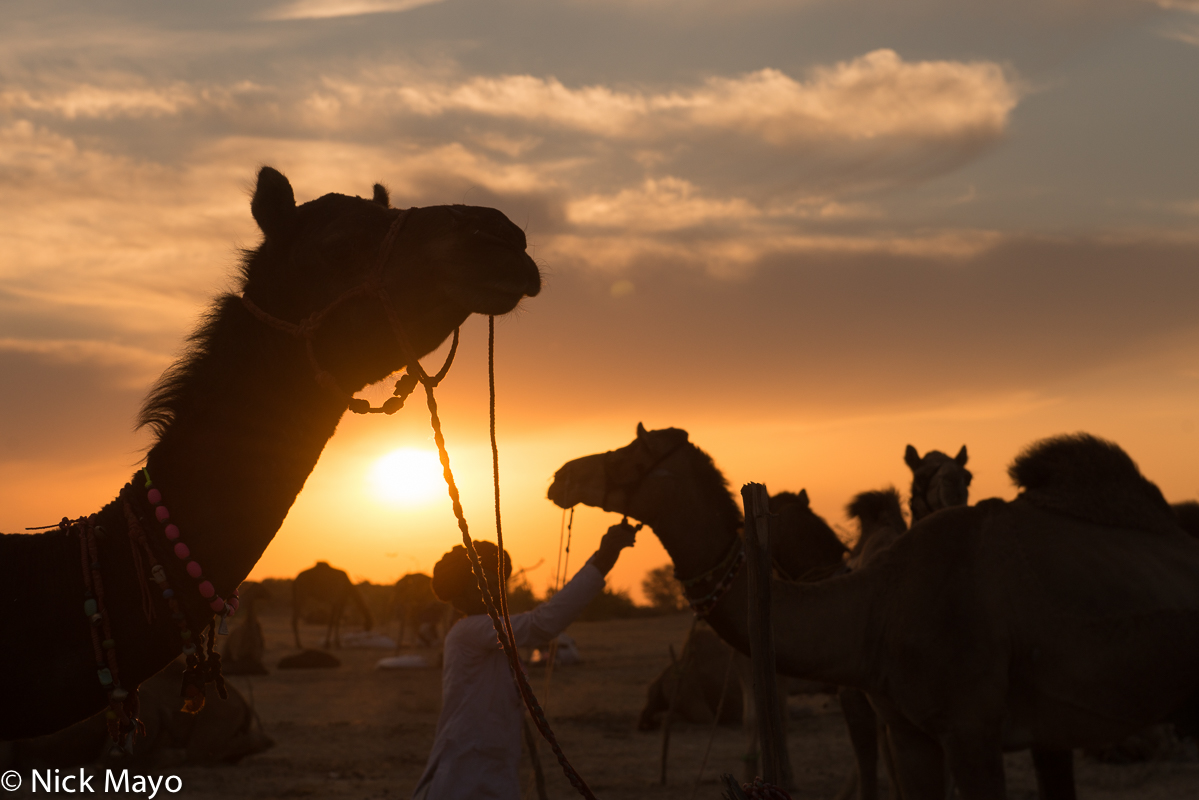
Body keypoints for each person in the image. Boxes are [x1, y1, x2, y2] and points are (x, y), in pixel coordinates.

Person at [412, 523, 637, 800]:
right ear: (461, 594)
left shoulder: (490, 634)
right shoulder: (469, 631)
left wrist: (600, 557)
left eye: (497, 580)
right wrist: (603, 560)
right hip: (469, 767)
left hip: (490, 760)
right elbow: (542, 624)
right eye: (485, 582)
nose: (496, 587)